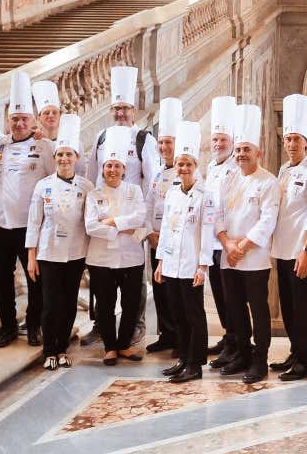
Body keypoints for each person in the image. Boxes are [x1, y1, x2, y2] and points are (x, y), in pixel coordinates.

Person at [83, 66, 157, 347]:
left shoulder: (143, 139)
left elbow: (151, 182)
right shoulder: (102, 137)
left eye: (125, 108)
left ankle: (135, 323)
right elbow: (91, 178)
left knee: (133, 274)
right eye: (116, 108)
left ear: (134, 110)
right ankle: (100, 325)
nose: (120, 114)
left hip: (132, 220)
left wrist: (144, 226)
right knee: (101, 274)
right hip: (102, 217)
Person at [215, 104, 280, 384]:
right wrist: (227, 244)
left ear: (258, 153)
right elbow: (216, 215)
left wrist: (240, 247)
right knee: (234, 309)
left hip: (253, 259)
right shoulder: (228, 179)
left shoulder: (268, 182)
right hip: (228, 257)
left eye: (246, 150)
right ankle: (241, 353)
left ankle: (260, 360)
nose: (241, 154)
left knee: (258, 310)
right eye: (238, 149)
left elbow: (267, 222)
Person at [0, 72, 54, 347]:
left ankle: (34, 323)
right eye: (14, 119)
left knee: (35, 279)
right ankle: (7, 326)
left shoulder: (45, 147)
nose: (18, 123)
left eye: (24, 119)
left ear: (34, 120)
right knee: (2, 279)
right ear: (8, 121)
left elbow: (55, 181)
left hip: (30, 225)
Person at [269, 95, 307, 381]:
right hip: (281, 249)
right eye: (287, 139)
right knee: (289, 306)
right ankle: (296, 352)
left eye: (296, 139)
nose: (291, 144)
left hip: (300, 251)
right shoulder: (283, 170)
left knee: (303, 307)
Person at [25, 114, 90, 371]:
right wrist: (31, 257)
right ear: (54, 159)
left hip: (75, 254)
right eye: (60, 155)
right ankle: (49, 350)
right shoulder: (43, 186)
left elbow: (90, 223)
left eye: (68, 154)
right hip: (48, 253)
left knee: (68, 302)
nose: (64, 159)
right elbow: (34, 222)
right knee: (50, 304)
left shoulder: (86, 186)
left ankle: (62, 347)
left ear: (76, 158)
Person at [155, 121, 216, 383]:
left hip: (192, 265)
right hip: (171, 264)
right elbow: (166, 231)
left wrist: (203, 267)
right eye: (180, 164)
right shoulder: (172, 195)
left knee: (194, 315)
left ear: (196, 167)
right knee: (177, 314)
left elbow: (207, 233)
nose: (183, 168)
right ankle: (182, 358)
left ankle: (195, 364)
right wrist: (159, 263)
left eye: (188, 164)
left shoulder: (205, 196)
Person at [85, 126, 148, 366]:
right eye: (108, 166)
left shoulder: (134, 190)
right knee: (105, 304)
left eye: (117, 166)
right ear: (102, 170)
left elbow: (140, 217)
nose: (112, 170)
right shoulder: (94, 194)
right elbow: (91, 226)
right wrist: (124, 227)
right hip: (100, 259)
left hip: (131, 258)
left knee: (131, 303)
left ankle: (124, 345)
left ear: (124, 170)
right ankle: (110, 347)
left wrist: (111, 222)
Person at [146, 97, 183, 355]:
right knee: (158, 288)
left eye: (168, 143)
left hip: (175, 242)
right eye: (160, 143)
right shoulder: (158, 173)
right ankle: (166, 333)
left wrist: (165, 236)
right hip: (156, 239)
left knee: (174, 292)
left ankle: (180, 337)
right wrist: (150, 232)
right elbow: (149, 205)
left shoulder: (185, 172)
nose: (163, 147)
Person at [205, 95, 239, 359]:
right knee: (218, 292)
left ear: (232, 142)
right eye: (215, 139)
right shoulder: (209, 166)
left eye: (223, 140)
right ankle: (229, 337)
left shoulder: (236, 168)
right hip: (211, 240)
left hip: (228, 241)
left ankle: (237, 342)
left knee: (232, 296)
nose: (218, 144)